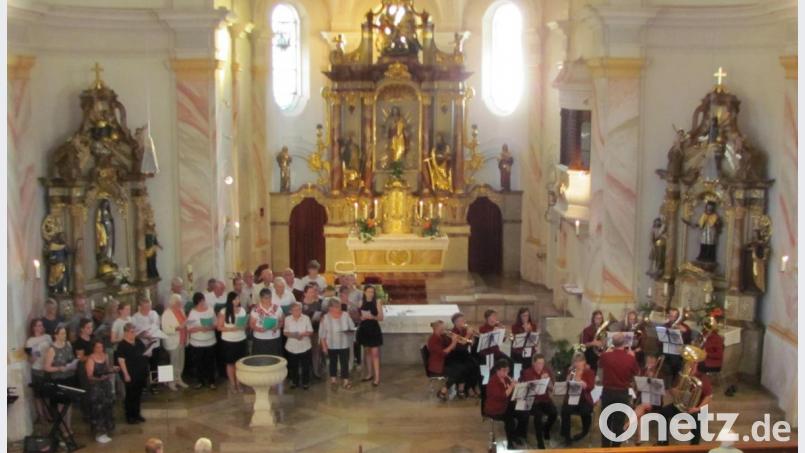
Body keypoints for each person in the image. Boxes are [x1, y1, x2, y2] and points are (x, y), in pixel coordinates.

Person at [658, 353, 713, 446]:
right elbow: (676, 391)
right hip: (682, 404)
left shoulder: (702, 378)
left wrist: (698, 408)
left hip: (695, 407)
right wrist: (673, 390)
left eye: (692, 364)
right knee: (663, 413)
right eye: (689, 364)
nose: (689, 366)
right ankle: (663, 442)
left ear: (697, 366)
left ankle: (694, 447)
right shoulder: (684, 376)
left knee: (697, 419)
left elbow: (709, 396)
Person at [598, 332, 640, 447]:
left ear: (612, 343)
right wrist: (633, 357)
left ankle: (605, 448)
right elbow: (637, 372)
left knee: (606, 421)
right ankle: (616, 448)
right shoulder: (630, 358)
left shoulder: (605, 356)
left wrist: (606, 352)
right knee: (619, 422)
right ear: (625, 343)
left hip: (607, 392)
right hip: (622, 393)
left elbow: (600, 365)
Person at [44, 325, 77, 435]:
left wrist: (73, 364)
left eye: (65, 333)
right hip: (59, 379)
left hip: (69, 377)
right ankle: (63, 428)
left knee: (69, 403)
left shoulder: (68, 344)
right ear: (56, 335)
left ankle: (68, 426)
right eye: (62, 333)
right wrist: (59, 368)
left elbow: (71, 358)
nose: (64, 335)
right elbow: (47, 367)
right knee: (61, 405)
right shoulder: (52, 349)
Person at [520, 354, 556, 450]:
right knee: (538, 416)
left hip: (545, 399)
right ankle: (540, 442)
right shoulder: (527, 373)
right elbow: (526, 389)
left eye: (542, 363)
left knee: (554, 413)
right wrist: (540, 380)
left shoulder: (546, 371)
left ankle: (546, 429)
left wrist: (548, 382)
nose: (541, 366)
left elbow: (553, 389)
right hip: (533, 401)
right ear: (533, 363)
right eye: (539, 363)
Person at [483, 359, 520, 450]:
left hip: (504, 405)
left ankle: (515, 435)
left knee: (521, 414)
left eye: (507, 370)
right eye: (503, 370)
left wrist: (517, 387)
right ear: (497, 370)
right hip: (495, 408)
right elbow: (503, 396)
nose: (506, 373)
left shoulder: (506, 379)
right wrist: (511, 386)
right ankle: (510, 443)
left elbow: (510, 394)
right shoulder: (493, 382)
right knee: (510, 420)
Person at [319, 297, 355, 389]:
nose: (338, 309)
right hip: (331, 345)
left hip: (344, 344)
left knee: (344, 363)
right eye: (336, 307)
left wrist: (348, 331)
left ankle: (345, 381)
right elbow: (322, 334)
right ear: (330, 308)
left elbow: (352, 327)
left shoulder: (346, 315)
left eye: (339, 307)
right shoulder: (325, 318)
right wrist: (324, 347)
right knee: (333, 363)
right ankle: (333, 380)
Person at [115, 323, 148, 424]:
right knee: (130, 395)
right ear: (125, 332)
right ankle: (130, 416)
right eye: (132, 332)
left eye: (135, 332)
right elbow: (121, 361)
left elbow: (144, 351)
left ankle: (137, 414)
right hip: (130, 373)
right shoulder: (122, 345)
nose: (134, 334)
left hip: (140, 372)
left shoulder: (138, 341)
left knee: (138, 394)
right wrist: (126, 374)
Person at [560, 353, 595, 446]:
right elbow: (567, 386)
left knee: (586, 412)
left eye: (580, 361)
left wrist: (584, 385)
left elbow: (591, 386)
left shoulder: (589, 372)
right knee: (565, 411)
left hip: (584, 399)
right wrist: (567, 381)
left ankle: (584, 432)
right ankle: (567, 437)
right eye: (575, 361)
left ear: (584, 362)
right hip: (572, 398)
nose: (577, 363)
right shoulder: (572, 371)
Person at [85, 339, 116, 443]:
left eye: (101, 347)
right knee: (98, 409)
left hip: (106, 385)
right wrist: (99, 378)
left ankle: (107, 429)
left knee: (108, 406)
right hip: (96, 387)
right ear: (94, 348)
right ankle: (98, 433)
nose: (100, 349)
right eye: (97, 347)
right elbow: (90, 376)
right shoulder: (91, 359)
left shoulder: (105, 356)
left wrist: (112, 370)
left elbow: (107, 368)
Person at [426, 320, 467, 401]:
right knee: (457, 370)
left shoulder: (442, 336)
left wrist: (454, 340)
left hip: (444, 361)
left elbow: (451, 347)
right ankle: (443, 391)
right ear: (436, 328)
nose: (444, 329)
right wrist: (454, 342)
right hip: (437, 365)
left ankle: (460, 390)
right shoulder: (433, 339)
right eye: (442, 328)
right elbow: (443, 353)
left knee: (463, 366)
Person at [218, 291, 247, 393]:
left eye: (238, 299)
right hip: (229, 341)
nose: (237, 301)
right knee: (230, 363)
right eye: (235, 299)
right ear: (230, 300)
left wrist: (243, 326)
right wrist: (231, 329)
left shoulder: (242, 310)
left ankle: (239, 383)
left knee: (239, 363)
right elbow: (219, 327)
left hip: (241, 339)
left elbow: (245, 324)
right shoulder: (223, 311)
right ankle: (232, 383)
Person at [186, 292, 217, 389]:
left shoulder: (210, 309)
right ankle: (200, 381)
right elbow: (189, 328)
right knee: (199, 363)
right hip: (197, 342)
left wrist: (209, 327)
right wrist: (200, 328)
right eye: (200, 302)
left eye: (203, 301)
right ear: (196, 303)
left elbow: (215, 323)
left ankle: (211, 381)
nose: (202, 303)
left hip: (210, 340)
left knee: (210, 362)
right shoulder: (193, 312)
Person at [132, 299, 163, 394]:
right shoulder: (135, 317)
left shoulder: (154, 314)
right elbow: (133, 333)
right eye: (145, 307)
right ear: (140, 307)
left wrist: (153, 333)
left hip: (155, 344)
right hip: (143, 346)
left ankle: (154, 385)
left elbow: (157, 326)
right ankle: (143, 386)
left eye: (149, 307)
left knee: (155, 366)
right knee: (143, 367)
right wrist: (143, 335)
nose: (147, 309)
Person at [26, 318, 53, 423]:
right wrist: (36, 353)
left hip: (46, 367)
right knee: (38, 395)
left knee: (47, 394)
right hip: (36, 369)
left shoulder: (47, 337)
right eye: (38, 325)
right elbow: (30, 360)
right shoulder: (29, 341)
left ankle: (47, 413)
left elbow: (52, 350)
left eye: (41, 325)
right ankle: (41, 416)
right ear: (33, 327)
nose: (40, 327)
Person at [356, 285, 383, 386]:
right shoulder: (360, 302)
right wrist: (361, 318)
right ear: (364, 292)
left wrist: (372, 317)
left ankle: (377, 378)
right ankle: (369, 374)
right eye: (368, 291)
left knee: (375, 354)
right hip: (364, 329)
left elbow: (381, 317)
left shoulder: (377, 302)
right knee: (367, 352)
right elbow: (357, 316)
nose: (371, 293)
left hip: (374, 329)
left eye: (372, 292)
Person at [448, 313, 480, 397]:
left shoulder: (464, 330)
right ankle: (468, 388)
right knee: (468, 366)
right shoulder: (453, 332)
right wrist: (468, 334)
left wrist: (473, 336)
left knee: (476, 365)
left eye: (463, 320)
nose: (463, 322)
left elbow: (471, 343)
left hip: (464, 353)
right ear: (455, 322)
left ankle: (474, 386)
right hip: (456, 355)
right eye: (460, 321)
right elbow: (462, 343)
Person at [161, 293, 189, 390]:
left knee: (180, 361)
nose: (180, 304)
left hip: (182, 339)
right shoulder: (166, 314)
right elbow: (165, 329)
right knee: (173, 362)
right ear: (173, 303)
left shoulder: (181, 311)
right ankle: (171, 382)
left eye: (180, 302)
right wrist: (177, 328)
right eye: (178, 303)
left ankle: (178, 379)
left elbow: (185, 322)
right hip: (173, 341)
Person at [284, 302, 314, 389]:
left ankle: (305, 382)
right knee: (294, 366)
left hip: (305, 345)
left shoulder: (306, 318)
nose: (297, 311)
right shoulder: (287, 319)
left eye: (299, 309)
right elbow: (285, 332)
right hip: (292, 346)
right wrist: (295, 335)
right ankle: (294, 382)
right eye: (295, 310)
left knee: (305, 366)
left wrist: (303, 334)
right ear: (291, 311)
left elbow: (310, 331)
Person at [301, 284, 325, 378]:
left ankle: (316, 372)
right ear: (305, 293)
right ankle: (306, 372)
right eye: (310, 292)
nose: (312, 294)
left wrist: (319, 318)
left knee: (316, 352)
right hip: (304, 333)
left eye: (313, 292)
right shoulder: (301, 305)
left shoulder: (318, 304)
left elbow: (322, 317)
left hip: (315, 331)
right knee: (305, 352)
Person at [250, 288, 284, 355]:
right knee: (260, 360)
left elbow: (282, 321)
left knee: (275, 360)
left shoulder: (277, 308)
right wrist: (259, 329)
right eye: (266, 298)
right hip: (260, 339)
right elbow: (251, 324)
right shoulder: (255, 309)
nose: (269, 300)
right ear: (261, 298)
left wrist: (277, 327)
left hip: (274, 338)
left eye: (270, 297)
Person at [72, 318, 94, 418]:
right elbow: (80, 358)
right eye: (88, 327)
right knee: (86, 391)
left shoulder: (93, 338)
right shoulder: (79, 342)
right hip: (84, 368)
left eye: (91, 327)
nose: (90, 329)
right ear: (82, 329)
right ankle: (87, 414)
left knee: (93, 390)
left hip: (93, 366)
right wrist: (93, 356)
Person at [664, 308, 691, 379]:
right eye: (670, 316)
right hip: (665, 349)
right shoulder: (665, 326)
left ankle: (673, 380)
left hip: (677, 351)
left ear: (678, 317)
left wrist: (685, 331)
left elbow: (688, 342)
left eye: (674, 316)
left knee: (675, 361)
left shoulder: (685, 327)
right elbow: (658, 341)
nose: (672, 318)